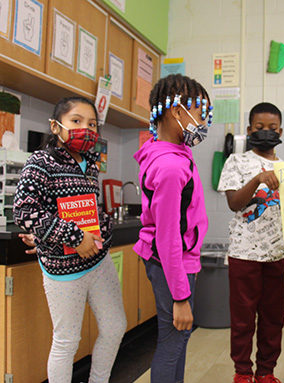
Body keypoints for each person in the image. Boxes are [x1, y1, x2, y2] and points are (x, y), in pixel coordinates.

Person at [13, 96, 127, 383]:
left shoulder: (90, 164)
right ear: (56, 126)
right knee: (67, 341)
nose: (85, 129)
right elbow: (24, 210)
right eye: (76, 121)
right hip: (64, 270)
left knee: (115, 327)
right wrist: (73, 237)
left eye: (91, 124)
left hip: (99, 262)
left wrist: (103, 229)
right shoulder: (40, 161)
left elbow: (88, 208)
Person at [133, 74, 212, 383]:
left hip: (173, 260)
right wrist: (180, 296)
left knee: (178, 337)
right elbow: (168, 237)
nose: (204, 121)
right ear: (177, 112)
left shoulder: (169, 151)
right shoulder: (170, 166)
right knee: (173, 338)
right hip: (170, 261)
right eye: (200, 113)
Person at [218, 102, 284, 383]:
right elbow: (235, 203)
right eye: (260, 128)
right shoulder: (236, 162)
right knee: (243, 318)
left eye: (272, 128)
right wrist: (258, 178)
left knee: (273, 318)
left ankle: (267, 372)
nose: (266, 132)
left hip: (279, 254)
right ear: (249, 130)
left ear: (280, 131)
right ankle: (243, 372)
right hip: (244, 253)